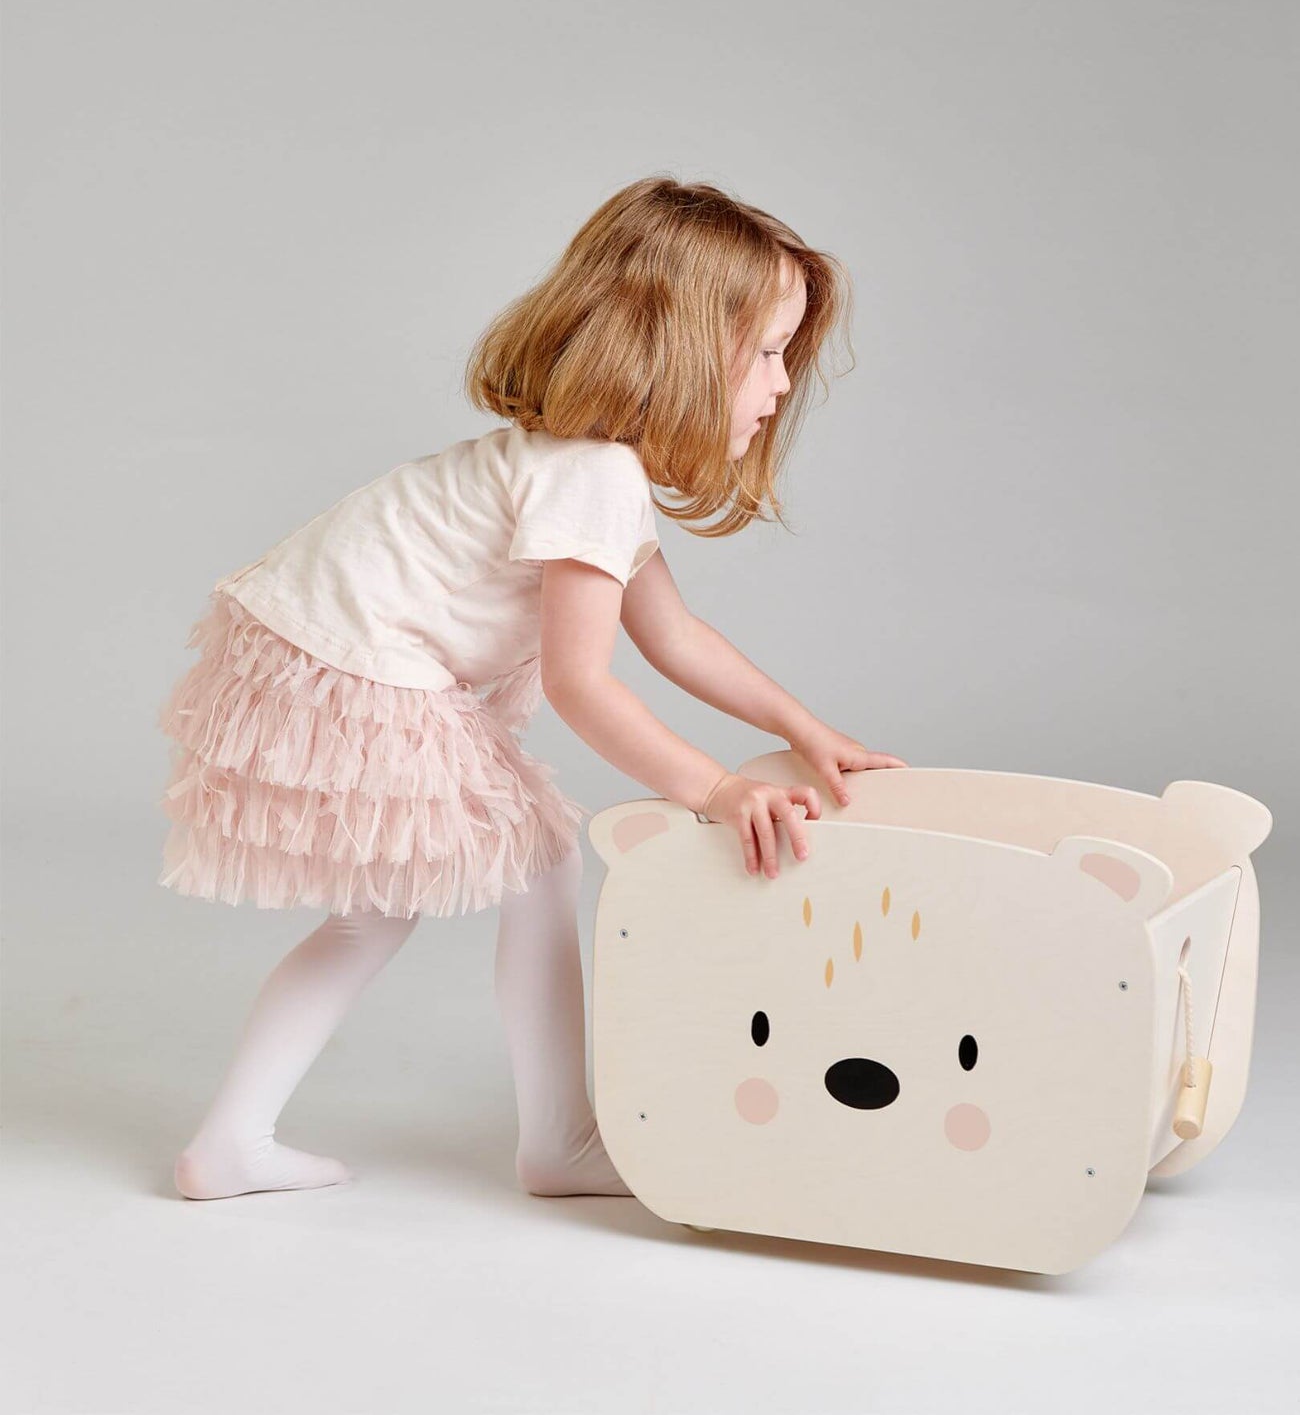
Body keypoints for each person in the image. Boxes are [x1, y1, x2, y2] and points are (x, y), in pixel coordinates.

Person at [156, 174, 908, 1203]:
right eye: (770, 352)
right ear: (682, 349)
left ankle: (248, 1140)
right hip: (356, 660)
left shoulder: (592, 467)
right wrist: (717, 789)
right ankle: (550, 1138)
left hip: (328, 644)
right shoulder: (589, 474)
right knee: (513, 873)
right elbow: (581, 682)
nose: (781, 386)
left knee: (410, 904)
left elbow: (674, 635)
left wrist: (803, 729)